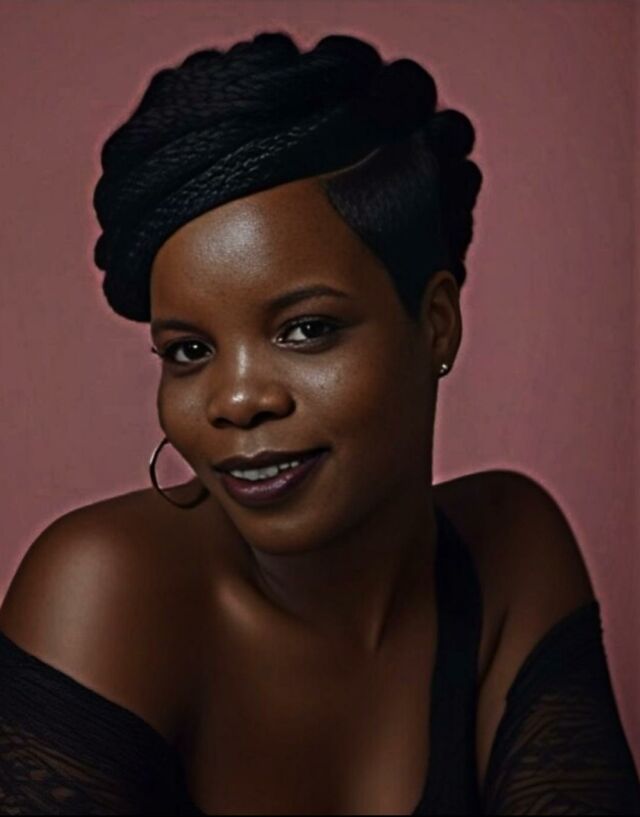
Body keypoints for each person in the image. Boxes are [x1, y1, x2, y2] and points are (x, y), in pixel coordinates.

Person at [0, 29, 639, 816]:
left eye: (306, 329)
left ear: (436, 324)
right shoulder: (105, 594)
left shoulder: (512, 555)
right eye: (190, 350)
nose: (236, 399)